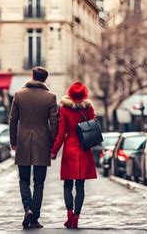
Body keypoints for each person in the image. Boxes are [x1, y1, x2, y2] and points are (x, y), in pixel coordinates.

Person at [9, 67, 58, 229]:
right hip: (42, 142)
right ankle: (35, 216)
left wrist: (13, 140)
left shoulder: (19, 95)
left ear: (32, 77)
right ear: (45, 79)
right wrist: (51, 142)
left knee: (23, 179)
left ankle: (27, 208)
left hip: (22, 141)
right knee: (39, 182)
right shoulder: (51, 97)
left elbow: (13, 120)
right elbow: (54, 123)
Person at [51, 82, 97, 229]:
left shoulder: (64, 109)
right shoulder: (88, 108)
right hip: (84, 148)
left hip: (70, 149)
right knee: (80, 185)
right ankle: (77, 215)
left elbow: (61, 132)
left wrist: (54, 150)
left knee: (67, 184)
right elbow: (93, 126)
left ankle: (69, 214)